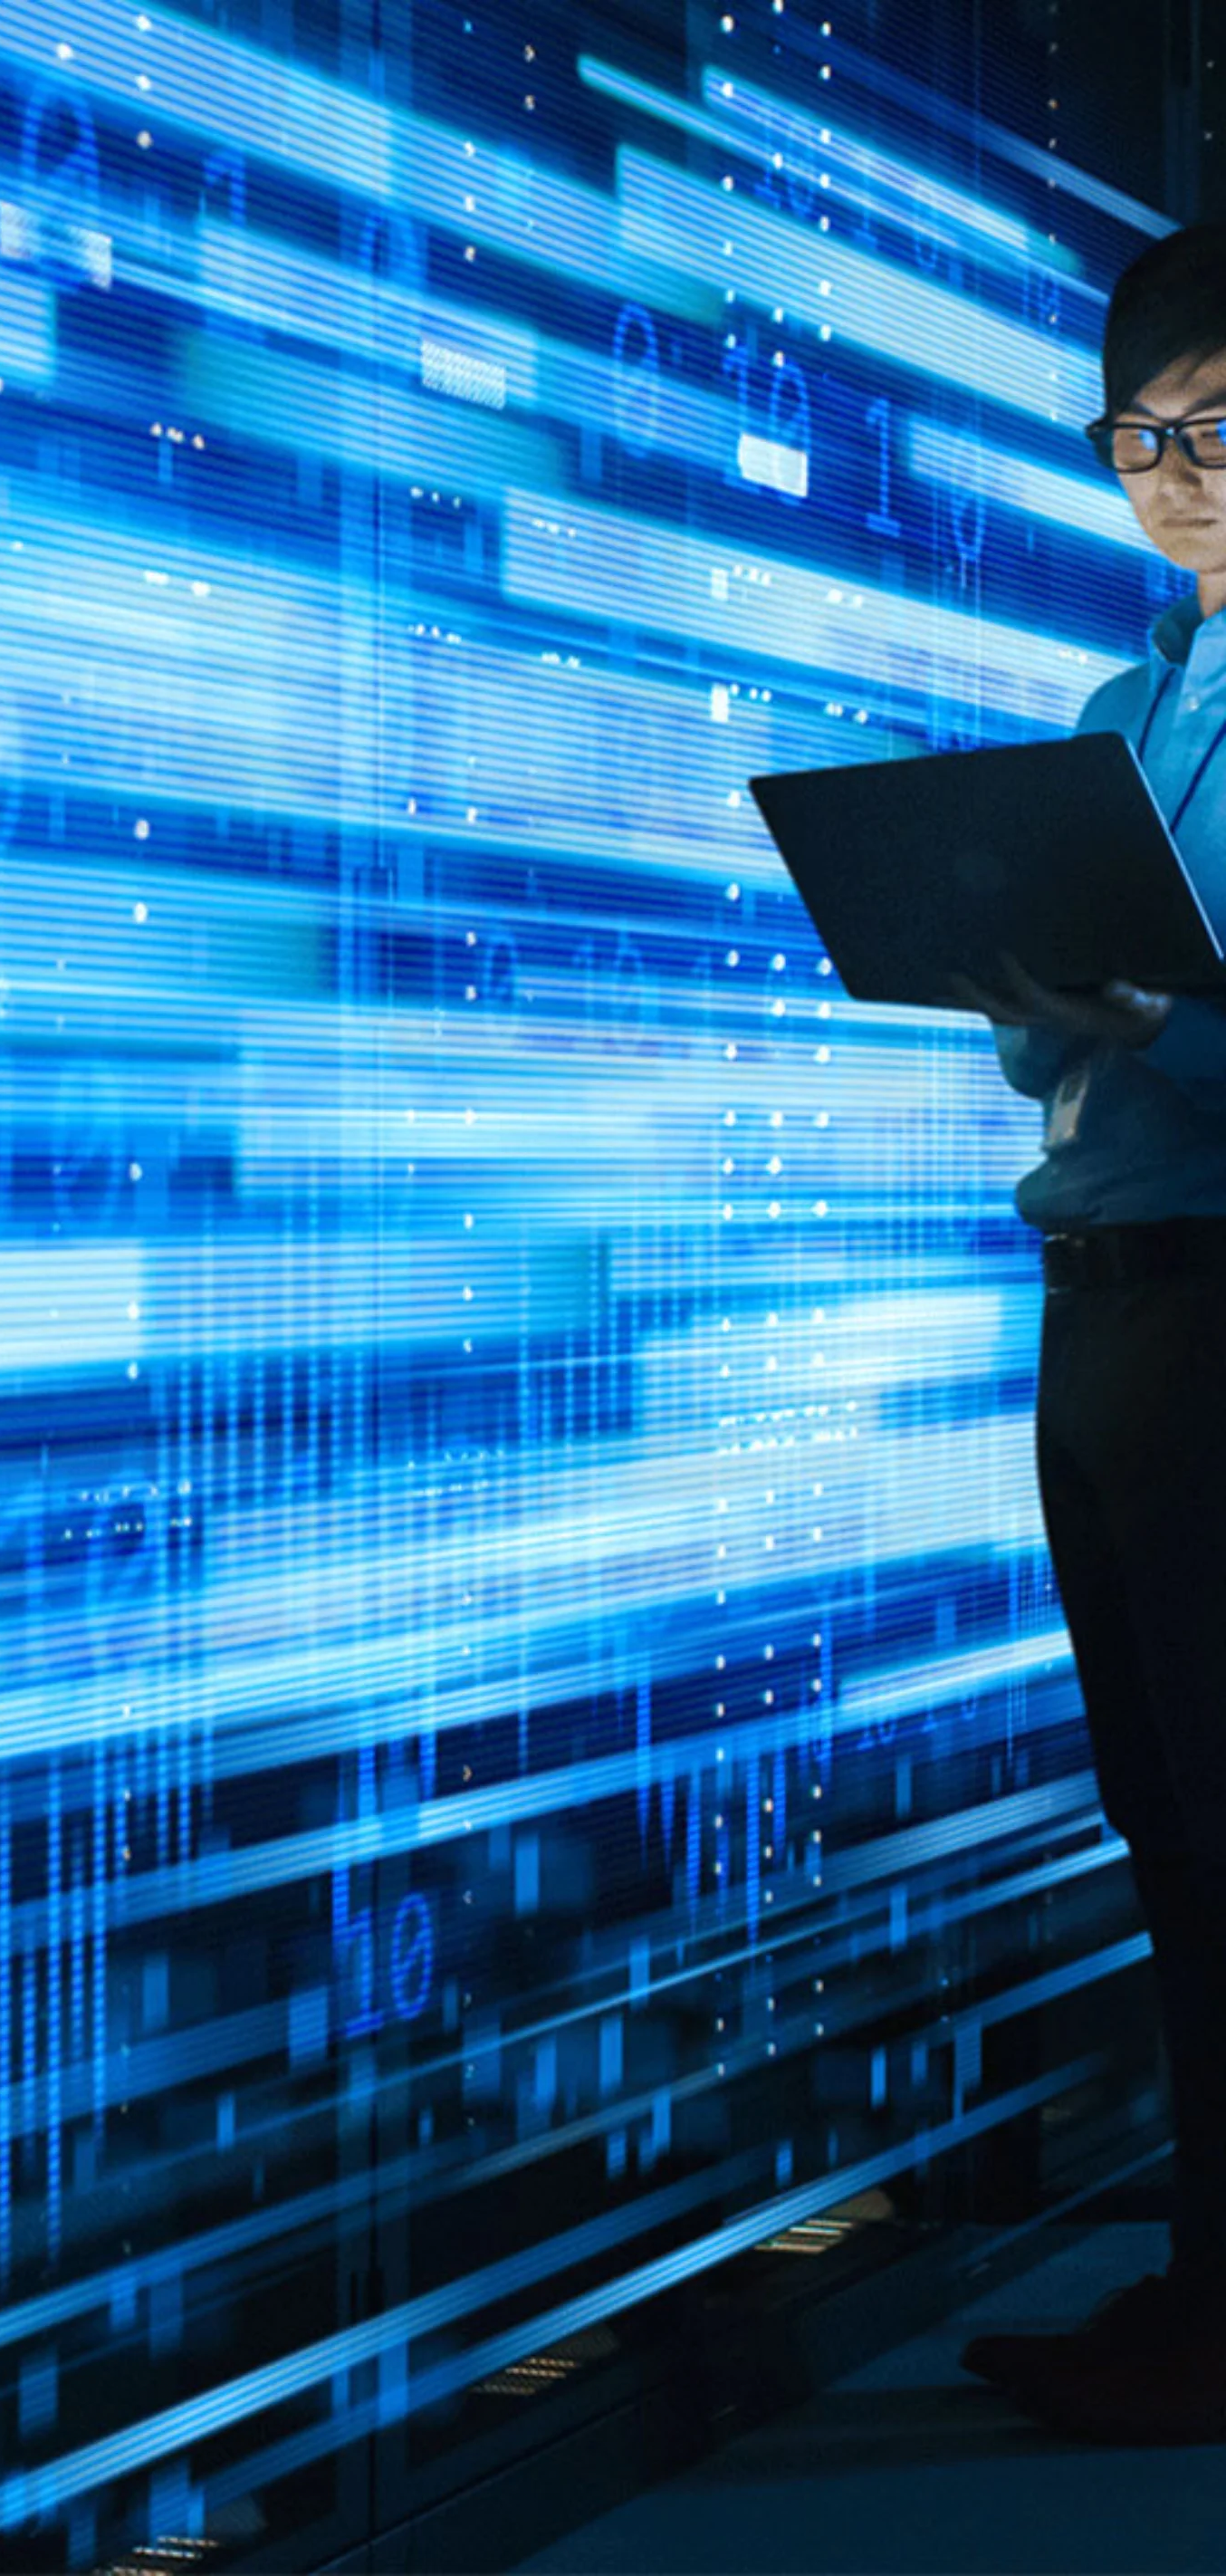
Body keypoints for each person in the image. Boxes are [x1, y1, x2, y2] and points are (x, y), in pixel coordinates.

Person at [955, 223, 1226, 2445]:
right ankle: (1202, 2282)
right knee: (1163, 1811)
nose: (1175, 474)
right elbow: (1081, 1052)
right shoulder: (1115, 708)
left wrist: (1158, 1023)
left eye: (1219, 426)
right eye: (1140, 435)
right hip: (1104, 1301)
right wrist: (1038, 1002)